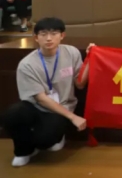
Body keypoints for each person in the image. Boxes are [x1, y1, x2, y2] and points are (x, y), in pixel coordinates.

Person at [1, 17, 93, 167]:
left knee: (47, 141)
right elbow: (41, 98)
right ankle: (23, 151)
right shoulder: (27, 64)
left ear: (62, 35)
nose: (49, 38)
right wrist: (74, 117)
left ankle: (47, 139)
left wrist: (90, 58)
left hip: (61, 108)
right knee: (12, 114)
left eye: (54, 33)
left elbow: (80, 84)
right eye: (43, 34)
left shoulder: (71, 52)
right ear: (36, 38)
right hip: (36, 106)